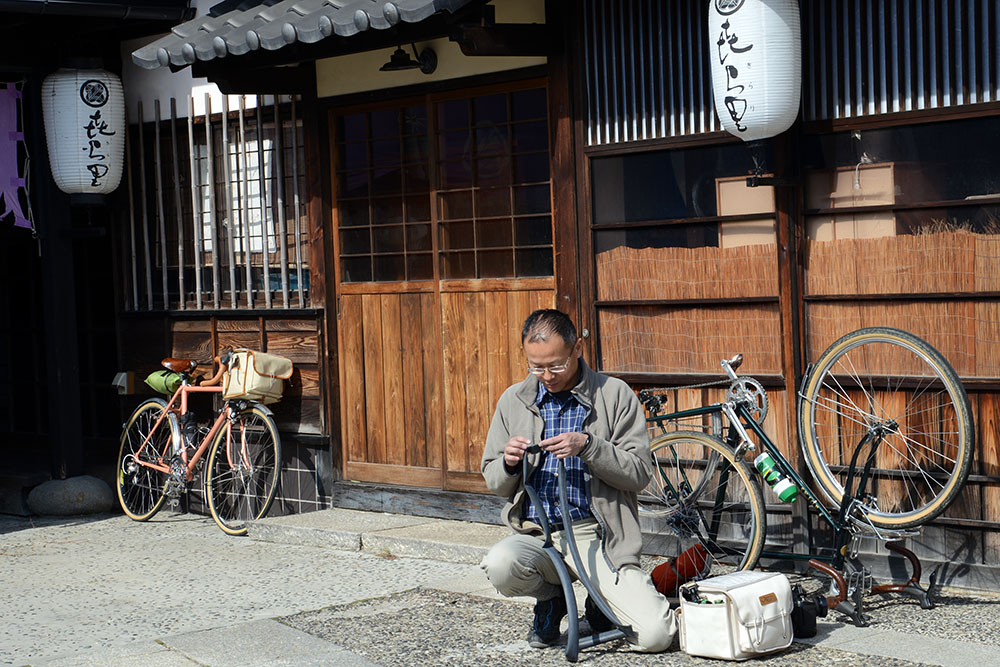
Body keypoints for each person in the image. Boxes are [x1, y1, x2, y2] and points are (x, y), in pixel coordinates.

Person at [479, 309, 676, 652]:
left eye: (555, 365)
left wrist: (589, 447)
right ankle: (551, 599)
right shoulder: (514, 400)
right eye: (536, 366)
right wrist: (509, 464)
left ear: (578, 348)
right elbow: (493, 480)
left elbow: (639, 473)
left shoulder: (614, 394)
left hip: (595, 534)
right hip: (538, 533)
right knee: (500, 564)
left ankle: (600, 605)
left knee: (656, 636)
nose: (547, 376)